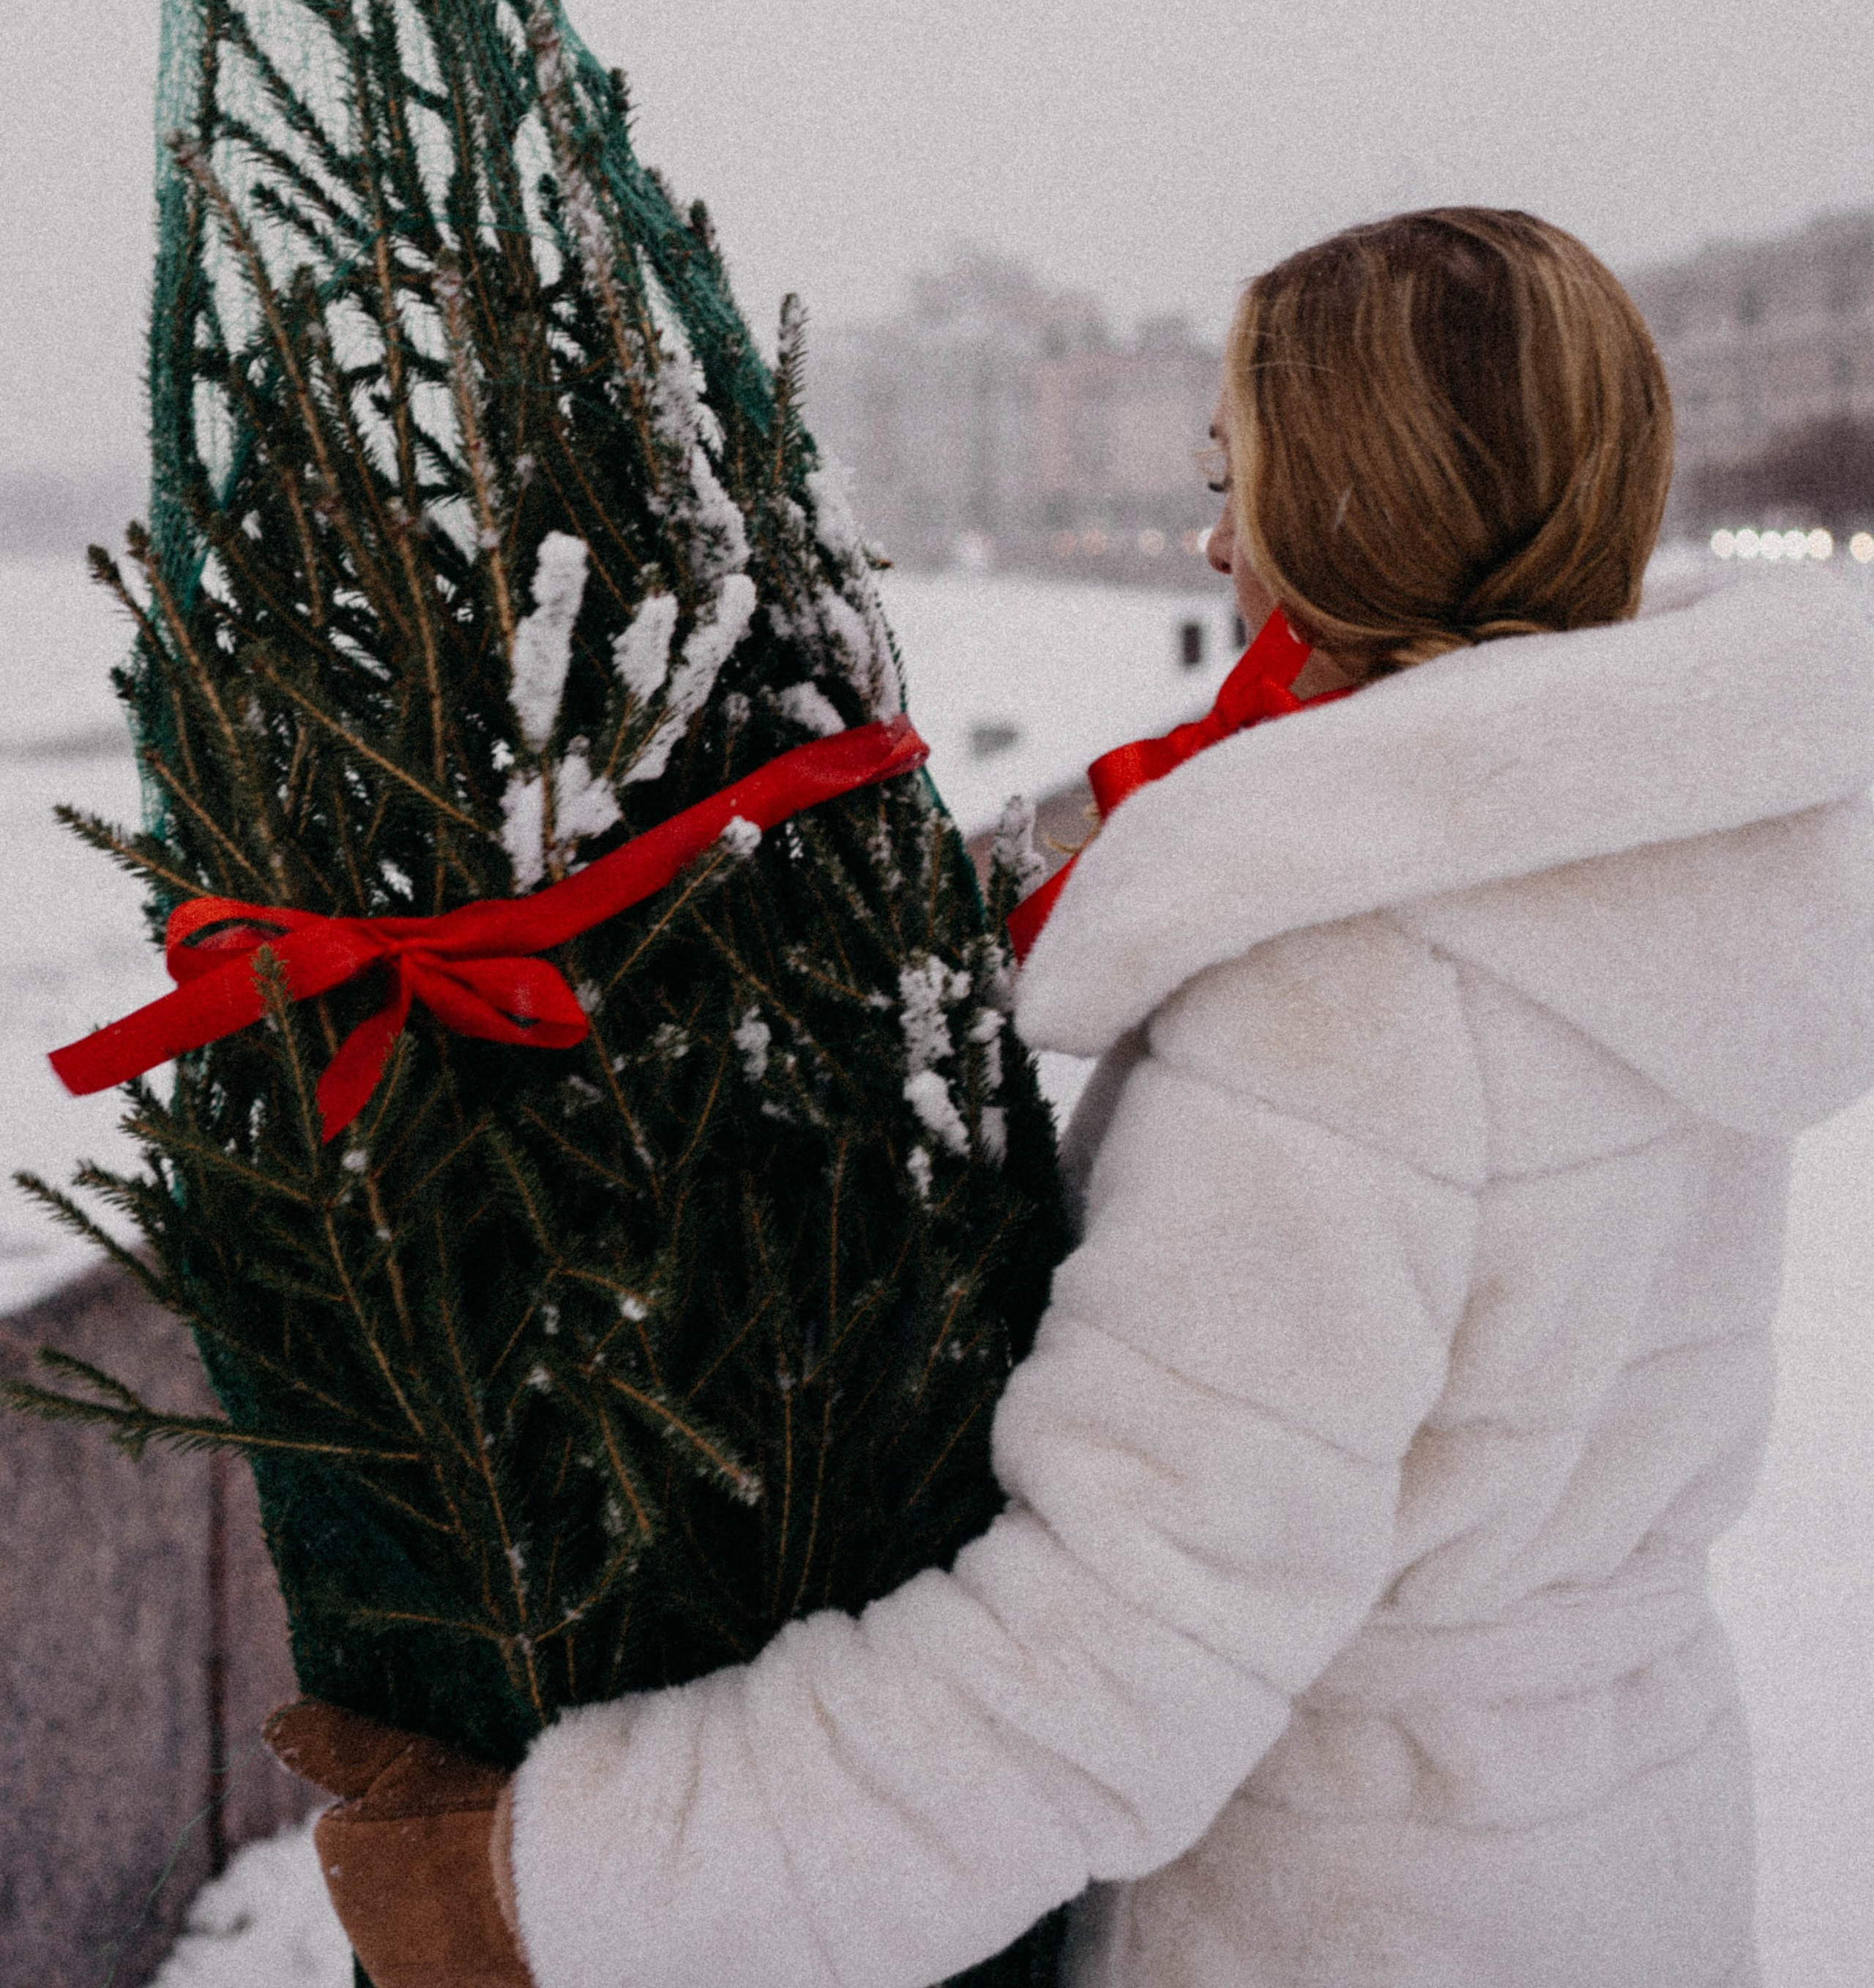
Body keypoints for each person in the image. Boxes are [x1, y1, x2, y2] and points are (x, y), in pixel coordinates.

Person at [275, 206, 1874, 1988]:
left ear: (1346, 498)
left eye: (1239, 470)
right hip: (1605, 1865)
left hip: (1340, 1917)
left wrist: (549, 1879)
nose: (1212, 540)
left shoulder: (1348, 993)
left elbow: (1109, 1662)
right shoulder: (1648, 873)